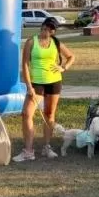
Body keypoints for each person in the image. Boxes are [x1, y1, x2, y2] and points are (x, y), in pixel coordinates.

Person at [14, 17, 76, 162]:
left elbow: (71, 56)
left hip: (54, 81)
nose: (47, 30)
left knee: (49, 114)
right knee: (26, 113)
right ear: (42, 26)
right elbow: (25, 65)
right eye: (46, 27)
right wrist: (28, 85)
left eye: (51, 28)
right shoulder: (31, 42)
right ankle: (28, 151)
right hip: (36, 83)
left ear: (54, 31)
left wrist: (63, 68)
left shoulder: (55, 42)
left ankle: (47, 146)